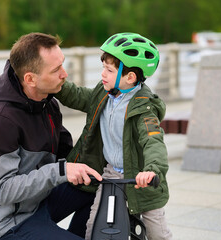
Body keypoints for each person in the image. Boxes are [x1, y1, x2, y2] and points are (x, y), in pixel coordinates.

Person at [0, 32, 102, 240]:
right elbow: (3, 191)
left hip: (38, 202)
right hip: (8, 223)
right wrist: (60, 170)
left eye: (62, 64)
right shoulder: (1, 120)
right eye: (56, 69)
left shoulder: (47, 104)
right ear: (30, 79)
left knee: (98, 187)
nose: (65, 74)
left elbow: (65, 155)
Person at [55, 32, 173, 240]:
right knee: (95, 225)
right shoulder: (103, 94)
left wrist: (152, 171)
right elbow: (78, 96)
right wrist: (55, 84)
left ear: (130, 77)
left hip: (141, 179)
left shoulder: (144, 108)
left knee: (157, 233)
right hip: (111, 174)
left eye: (109, 70)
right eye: (103, 68)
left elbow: (153, 141)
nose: (103, 74)